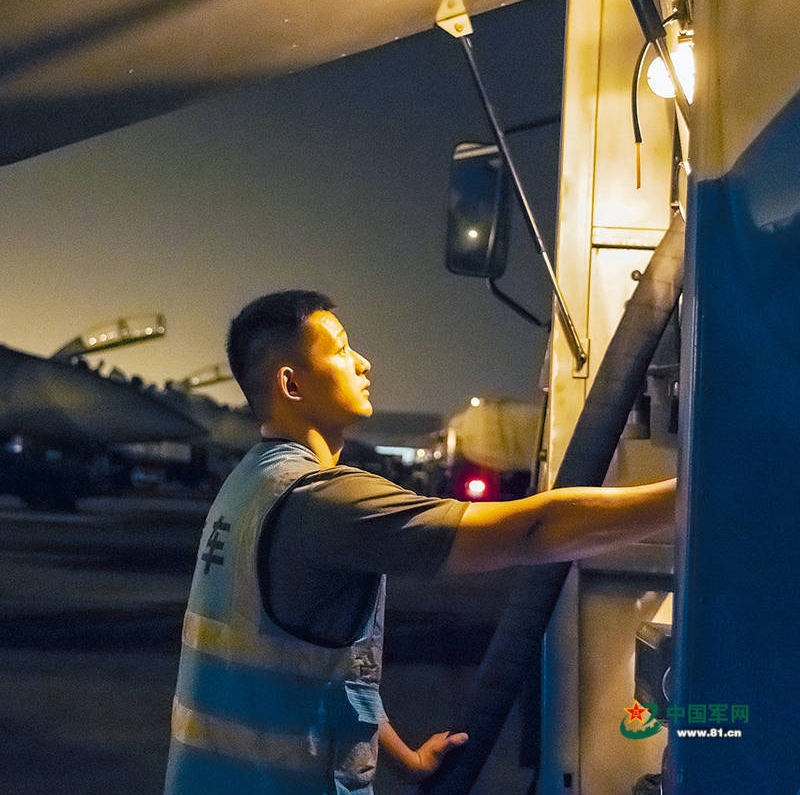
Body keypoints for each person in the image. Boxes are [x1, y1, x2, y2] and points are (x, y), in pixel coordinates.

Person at [163, 290, 675, 795]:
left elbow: (324, 666)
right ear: (291, 384)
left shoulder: (249, 482)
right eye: (340, 349)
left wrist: (405, 760)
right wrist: (693, 495)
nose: (362, 363)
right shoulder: (322, 501)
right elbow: (535, 529)